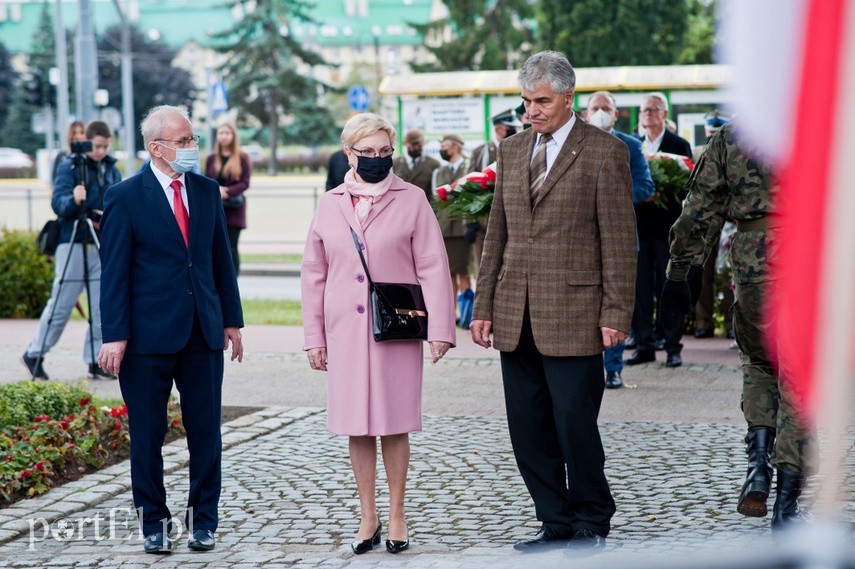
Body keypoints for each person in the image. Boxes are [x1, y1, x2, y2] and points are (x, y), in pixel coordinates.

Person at [470, 51, 636, 552]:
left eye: (541, 101)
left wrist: (616, 313)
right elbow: (496, 235)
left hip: (576, 314)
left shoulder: (605, 153)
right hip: (514, 313)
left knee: (573, 423)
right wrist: (482, 307)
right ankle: (554, 520)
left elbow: (619, 241)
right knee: (528, 428)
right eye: (525, 102)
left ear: (569, 98)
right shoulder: (514, 150)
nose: (531, 111)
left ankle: (591, 518)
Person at [301, 113, 455, 555]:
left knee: (395, 422)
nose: (376, 160)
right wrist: (315, 336)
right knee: (357, 424)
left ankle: (399, 514)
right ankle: (368, 515)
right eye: (366, 152)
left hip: (396, 327)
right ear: (348, 153)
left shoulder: (413, 199)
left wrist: (441, 328)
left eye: (383, 152)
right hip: (345, 331)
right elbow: (313, 272)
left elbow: (433, 265)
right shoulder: (330, 202)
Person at [97, 105, 244, 554]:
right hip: (145, 339)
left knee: (206, 432)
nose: (191, 147)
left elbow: (221, 260)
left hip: (203, 331)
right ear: (155, 147)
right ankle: (153, 524)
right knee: (146, 435)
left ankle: (203, 521)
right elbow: (113, 272)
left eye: (192, 138)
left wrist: (232, 320)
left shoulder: (205, 190)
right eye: (182, 141)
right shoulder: (124, 196)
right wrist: (114, 334)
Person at [660, 121, 808, 531]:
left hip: (751, 260)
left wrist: (679, 269)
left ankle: (758, 468)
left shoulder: (733, 133)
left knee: (760, 363)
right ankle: (786, 508)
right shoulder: (820, 115)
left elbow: (701, 204)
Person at [22, 120, 122, 381]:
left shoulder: (111, 169)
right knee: (62, 304)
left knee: (102, 305)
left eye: (105, 146)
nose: (101, 151)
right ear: (88, 142)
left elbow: (119, 201)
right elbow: (58, 202)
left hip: (101, 242)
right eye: (97, 146)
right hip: (73, 239)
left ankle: (96, 359)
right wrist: (74, 200)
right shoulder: (70, 167)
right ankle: (35, 352)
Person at [585, 90, 655, 389]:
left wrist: (609, 199)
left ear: (616, 114)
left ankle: (613, 367)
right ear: (585, 113)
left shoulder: (630, 145)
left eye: (606, 108)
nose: (600, 112)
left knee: (615, 303)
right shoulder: (574, 144)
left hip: (619, 238)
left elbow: (645, 186)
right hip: (581, 240)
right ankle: (586, 367)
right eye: (595, 107)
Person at [626, 92, 693, 369]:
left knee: (668, 287)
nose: (648, 115)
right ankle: (644, 345)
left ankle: (672, 346)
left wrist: (664, 191)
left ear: (665, 114)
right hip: (639, 227)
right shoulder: (633, 144)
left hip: (668, 228)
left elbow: (688, 182)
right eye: (644, 111)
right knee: (639, 289)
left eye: (654, 110)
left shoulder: (678, 144)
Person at [692, 110, 735, 340]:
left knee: (728, 272)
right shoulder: (697, 151)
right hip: (706, 221)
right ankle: (704, 323)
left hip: (729, 220)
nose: (712, 136)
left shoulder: (736, 152)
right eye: (710, 132)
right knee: (702, 272)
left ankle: (730, 323)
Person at [431, 134, 472, 327]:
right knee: (448, 274)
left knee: (463, 272)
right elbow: (437, 196)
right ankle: (452, 313)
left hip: (462, 228)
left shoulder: (468, 166)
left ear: (455, 147)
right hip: (445, 227)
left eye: (445, 146)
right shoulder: (440, 170)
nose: (443, 149)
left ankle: (466, 313)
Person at [204, 123, 251, 275]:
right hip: (215, 208)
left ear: (233, 136)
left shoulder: (242, 157)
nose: (224, 136)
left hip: (234, 209)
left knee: (231, 247)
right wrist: (216, 189)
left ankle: (233, 281)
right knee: (214, 246)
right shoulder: (211, 158)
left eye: (227, 133)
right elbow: (205, 179)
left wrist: (227, 191)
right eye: (221, 133)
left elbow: (245, 182)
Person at [392, 128, 440, 202]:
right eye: (414, 144)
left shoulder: (433, 164)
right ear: (405, 143)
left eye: (420, 144)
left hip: (424, 208)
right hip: (401, 208)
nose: (417, 147)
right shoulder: (394, 164)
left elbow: (435, 193)